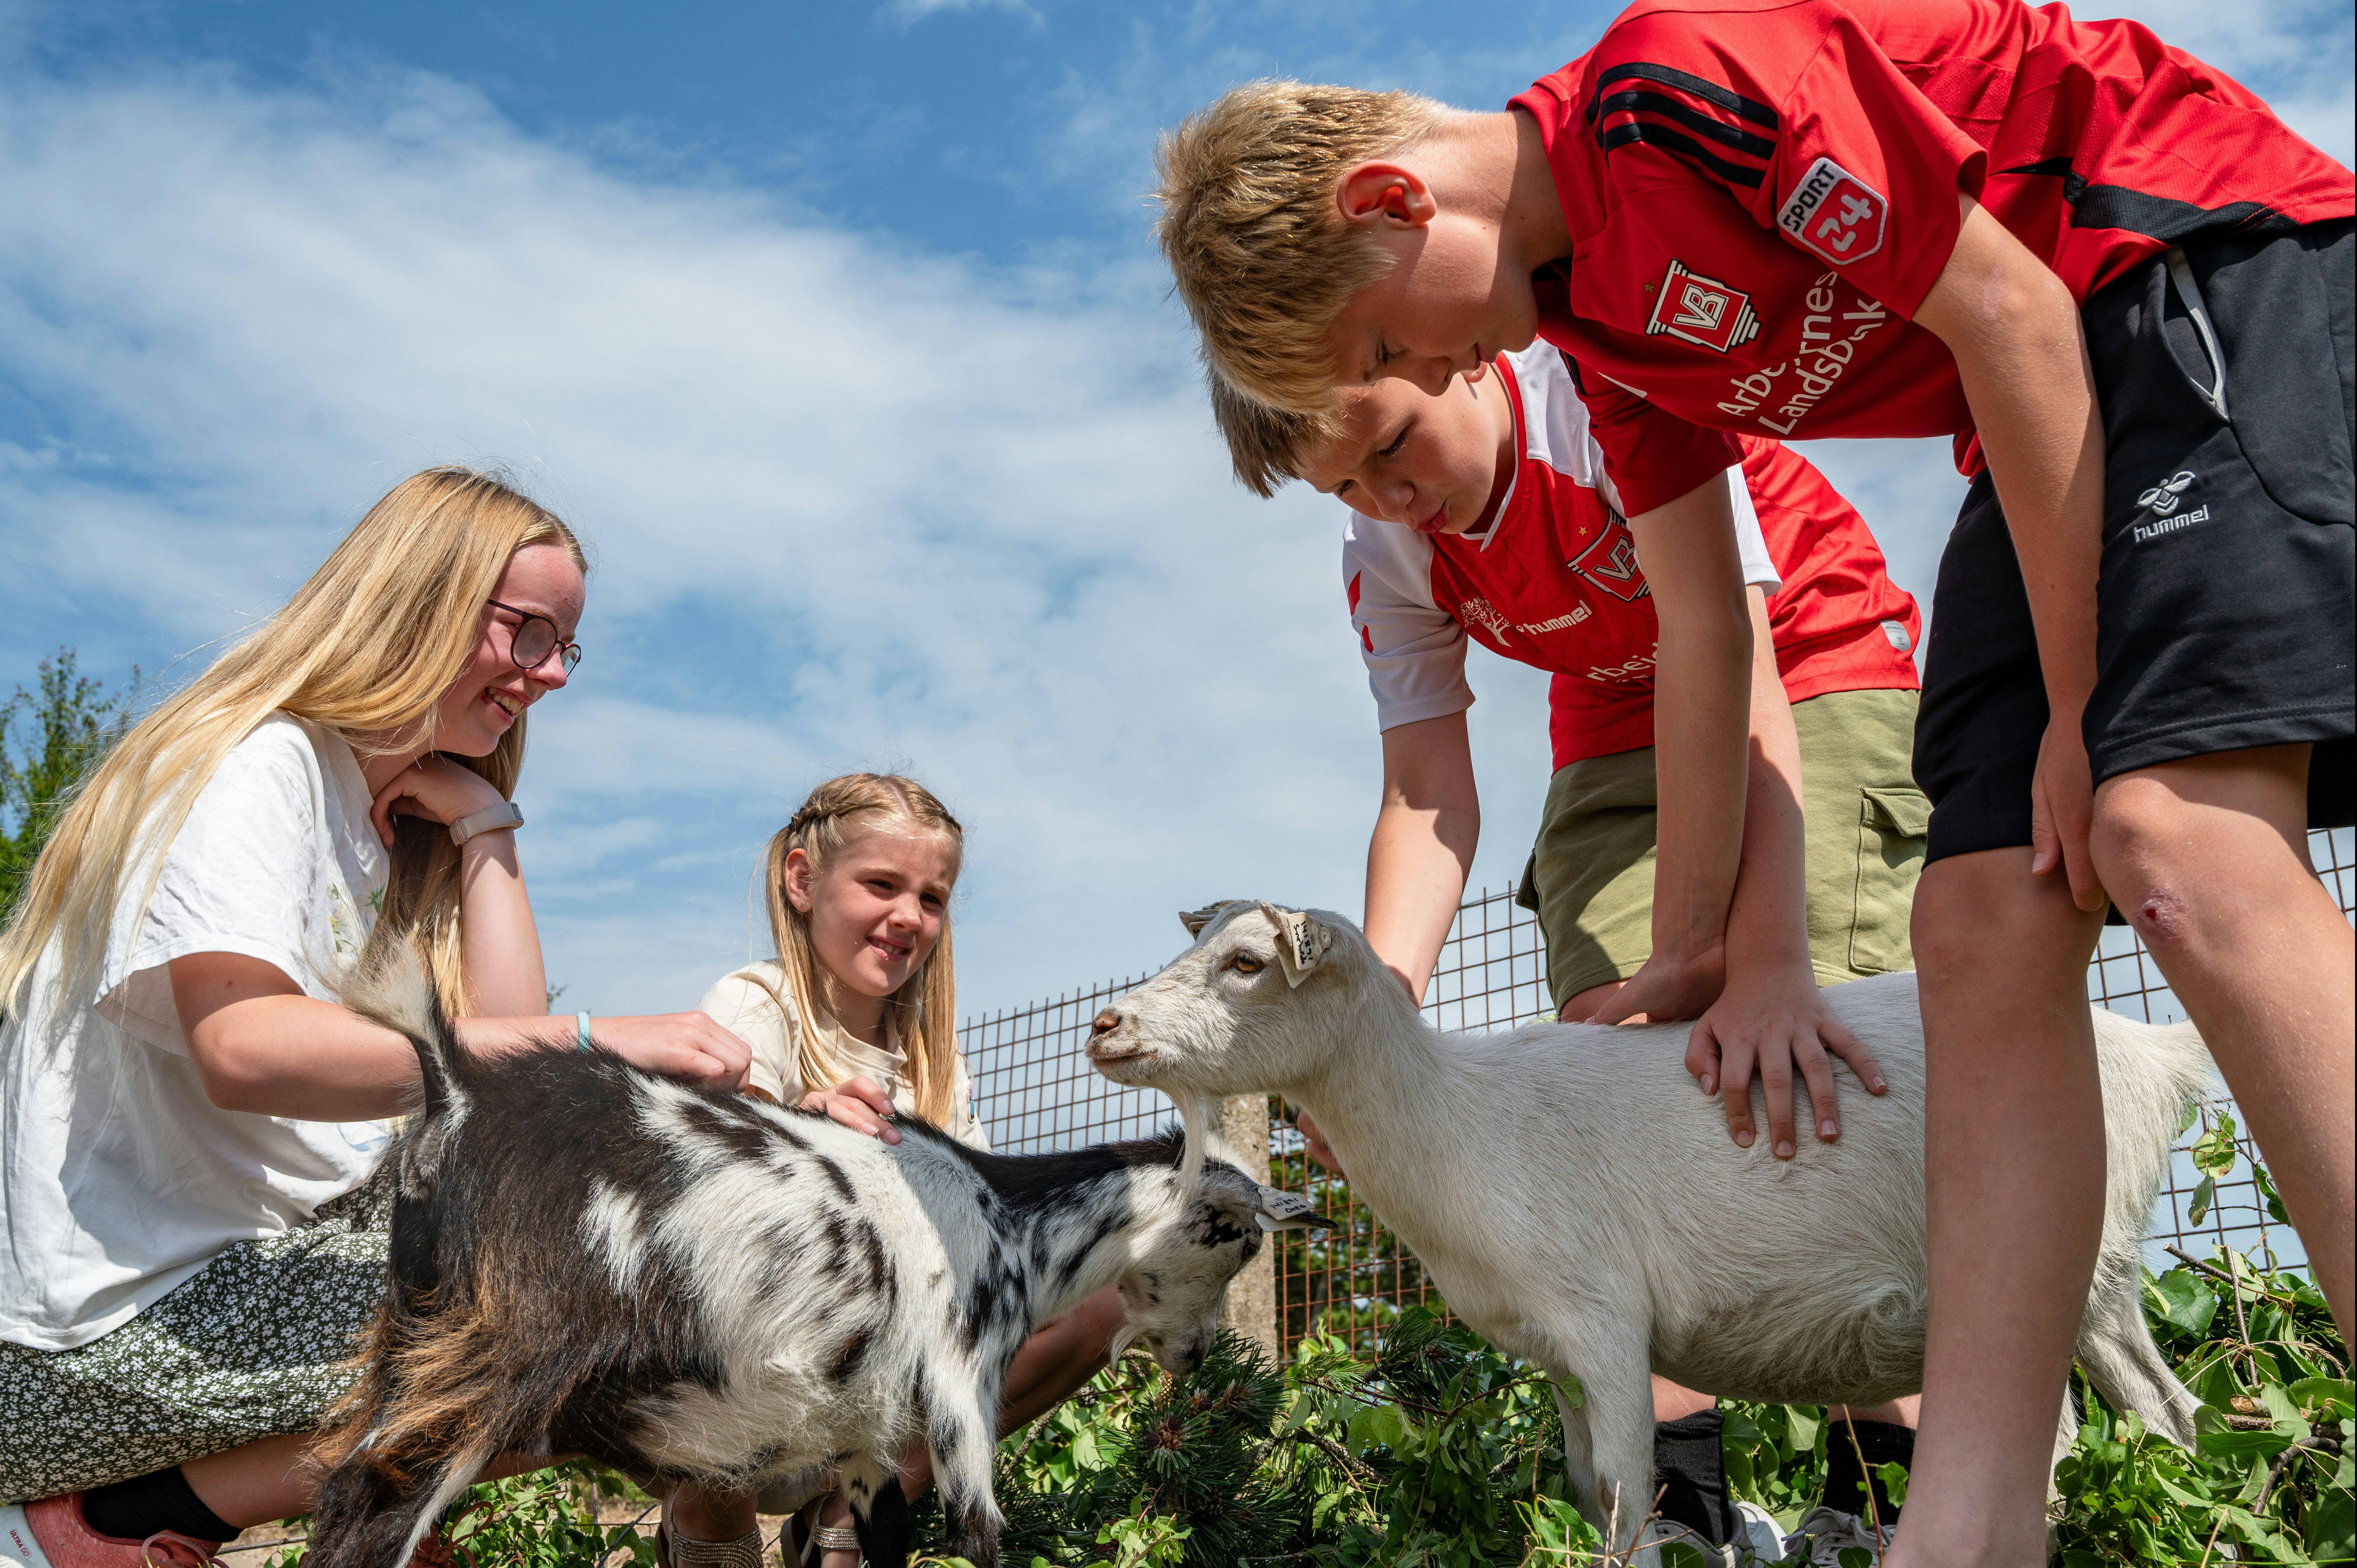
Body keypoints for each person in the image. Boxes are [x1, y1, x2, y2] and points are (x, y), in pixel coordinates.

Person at [1153, 8, 2352, 1562]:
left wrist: (2075, 707)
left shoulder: (1667, 88)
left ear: (1390, 201)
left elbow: (2002, 305)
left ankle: (1922, 1469)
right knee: (1980, 922)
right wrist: (1684, 948)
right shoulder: (1594, 330)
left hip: (2188, 264)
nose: (1426, 375)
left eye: (1384, 355)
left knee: (2165, 837)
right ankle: (1966, 1530)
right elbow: (1638, 679)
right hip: (2026, 417)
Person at [1211, 343, 1924, 1554]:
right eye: (1345, 488)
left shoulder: (1595, 407)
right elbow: (1426, 793)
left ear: (1453, 355)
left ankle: (1887, 1493)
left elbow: (1735, 665)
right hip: (1615, 708)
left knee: (1806, 1062)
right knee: (1612, 1095)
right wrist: (1374, 1021)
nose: (1388, 499)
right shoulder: (1390, 544)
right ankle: (1677, 1513)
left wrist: (1757, 965)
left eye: (1393, 448)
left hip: (1798, 657)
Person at [0, 468, 751, 1568]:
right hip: (84, 1350)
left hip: (212, 1298)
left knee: (644, 1269)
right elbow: (243, 1047)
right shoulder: (261, 766)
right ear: (422, 599)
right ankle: (118, 1521)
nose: (550, 674)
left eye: (565, 647)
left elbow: (505, 1081)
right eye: (526, 632)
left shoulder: (368, 812)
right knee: (628, 1308)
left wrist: (487, 826)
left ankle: (331, 1518)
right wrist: (599, 1038)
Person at [666, 773, 1126, 1568]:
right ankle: (709, 1532)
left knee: (1099, 1299)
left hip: (879, 1389)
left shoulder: (933, 1060)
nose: (910, 915)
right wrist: (803, 1123)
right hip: (756, 1378)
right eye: (882, 884)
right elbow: (704, 1161)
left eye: (932, 898)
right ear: (803, 880)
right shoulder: (755, 1004)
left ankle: (850, 1516)